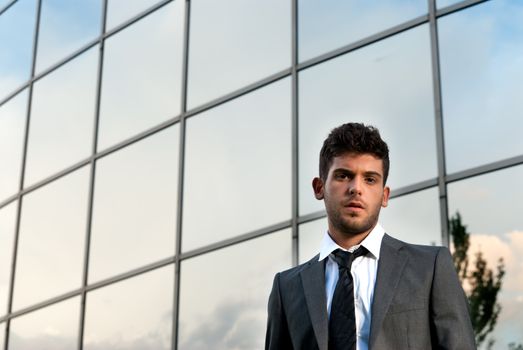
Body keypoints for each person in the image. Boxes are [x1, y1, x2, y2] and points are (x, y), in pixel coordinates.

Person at [265, 123, 475, 350]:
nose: (356, 188)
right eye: (343, 176)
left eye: (370, 179)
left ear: (384, 196)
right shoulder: (286, 288)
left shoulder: (430, 268)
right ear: (319, 187)